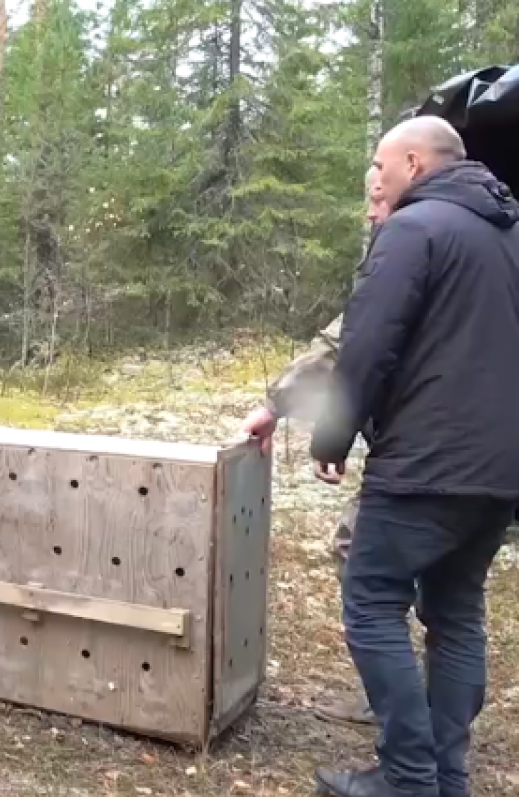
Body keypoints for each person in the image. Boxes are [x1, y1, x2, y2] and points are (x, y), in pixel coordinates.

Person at [308, 116, 519, 797]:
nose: (375, 176)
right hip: (499, 469)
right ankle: (445, 777)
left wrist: (331, 436)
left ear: (414, 162)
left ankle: (407, 774)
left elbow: (368, 342)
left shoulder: (413, 230)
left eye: (380, 163)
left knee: (371, 599)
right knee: (455, 611)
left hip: (427, 463)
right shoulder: (510, 236)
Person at [240, 165, 390, 727]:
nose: (370, 213)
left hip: (424, 456)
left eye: (377, 200)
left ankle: (399, 722)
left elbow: (351, 343)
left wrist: (292, 414)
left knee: (366, 565)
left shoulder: (414, 249)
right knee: (456, 591)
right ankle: (446, 722)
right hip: (492, 455)